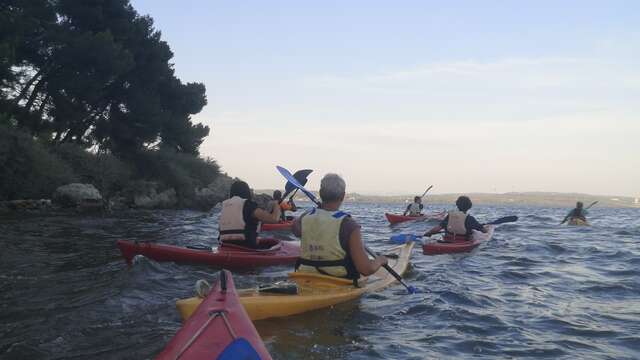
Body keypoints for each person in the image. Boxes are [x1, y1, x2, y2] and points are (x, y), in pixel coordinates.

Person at [292, 173, 387, 282]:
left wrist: (316, 211)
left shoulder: (305, 218)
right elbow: (365, 269)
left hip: (305, 277)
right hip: (338, 281)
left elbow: (295, 228)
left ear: (321, 193)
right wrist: (380, 260)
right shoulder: (349, 225)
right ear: (342, 196)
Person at [218, 180, 281, 248]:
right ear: (246, 192)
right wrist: (276, 204)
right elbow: (274, 219)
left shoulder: (225, 206)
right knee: (275, 245)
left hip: (225, 245)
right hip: (246, 246)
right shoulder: (248, 205)